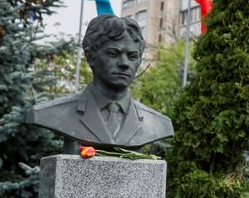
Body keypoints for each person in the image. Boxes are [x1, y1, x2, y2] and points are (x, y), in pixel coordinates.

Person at [27, 14, 173, 154]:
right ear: (90, 57)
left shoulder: (159, 124)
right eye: (113, 54)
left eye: (132, 56)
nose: (124, 64)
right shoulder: (54, 113)